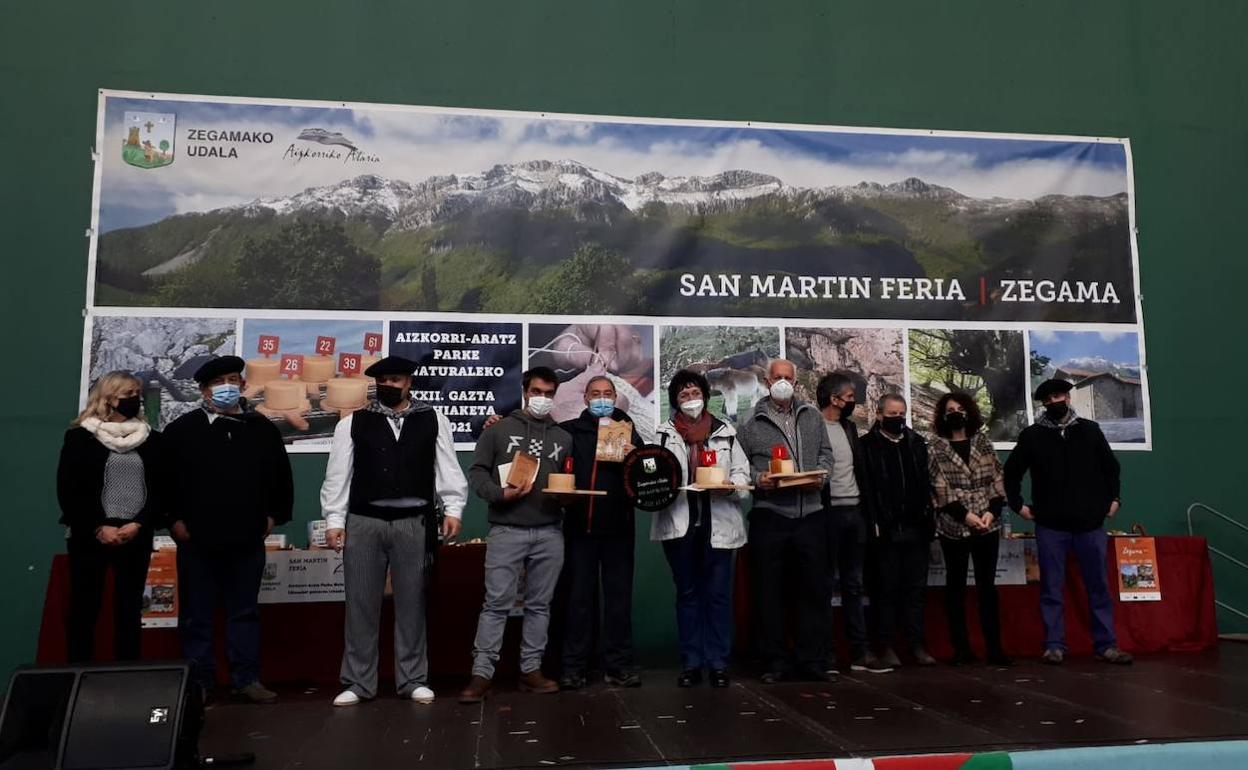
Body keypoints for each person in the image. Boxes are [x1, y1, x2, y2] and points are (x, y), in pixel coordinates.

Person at [320, 356, 468, 707]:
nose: (388, 385)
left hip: (414, 523)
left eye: (395, 380)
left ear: (408, 383)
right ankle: (358, 682)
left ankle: (413, 679)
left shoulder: (433, 419)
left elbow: (447, 467)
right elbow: (338, 476)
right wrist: (334, 521)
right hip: (364, 522)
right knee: (360, 604)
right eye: (383, 380)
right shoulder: (352, 423)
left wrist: (454, 508)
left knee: (413, 603)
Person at [164, 355, 293, 703]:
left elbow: (281, 478)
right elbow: (163, 481)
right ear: (204, 390)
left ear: (243, 385)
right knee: (196, 615)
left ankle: (246, 678)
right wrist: (173, 520)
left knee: (244, 612)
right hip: (197, 539)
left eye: (233, 380)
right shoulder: (181, 431)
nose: (227, 387)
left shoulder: (262, 429)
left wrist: (273, 516)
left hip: (246, 538)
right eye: (218, 382)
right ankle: (199, 682)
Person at [460, 367, 572, 703]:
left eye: (549, 394)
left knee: (540, 605)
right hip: (506, 529)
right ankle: (482, 674)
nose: (542, 399)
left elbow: (568, 479)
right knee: (496, 604)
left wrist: (566, 497)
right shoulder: (498, 430)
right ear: (525, 392)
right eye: (536, 392)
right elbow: (477, 472)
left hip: (550, 531)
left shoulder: (563, 438)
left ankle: (530, 670)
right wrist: (499, 494)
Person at [1004, 379, 1132, 666]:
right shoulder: (1032, 436)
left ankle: (1106, 645)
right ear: (1043, 404)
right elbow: (1011, 473)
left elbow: (1111, 468)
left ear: (1068, 397)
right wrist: (1018, 505)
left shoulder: (1090, 430)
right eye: (1048, 399)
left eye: (1058, 396)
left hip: (1090, 525)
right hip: (1050, 526)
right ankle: (1053, 645)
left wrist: (1115, 498)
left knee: (1098, 587)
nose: (1054, 402)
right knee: (1051, 588)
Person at [57, 371, 165, 663]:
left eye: (137, 395)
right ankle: (78, 672)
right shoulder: (81, 437)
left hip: (135, 533)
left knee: (129, 609)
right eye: (128, 395)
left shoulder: (151, 439)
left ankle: (126, 672)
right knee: (84, 608)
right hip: (90, 535)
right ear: (108, 399)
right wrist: (97, 527)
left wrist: (139, 523)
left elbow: (161, 489)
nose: (135, 400)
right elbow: (69, 490)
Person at [651, 369, 749, 688]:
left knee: (717, 596)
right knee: (688, 594)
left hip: (718, 523)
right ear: (675, 401)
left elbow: (742, 474)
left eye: (695, 393)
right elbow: (651, 474)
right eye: (683, 395)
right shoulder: (662, 435)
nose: (690, 399)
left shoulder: (726, 432)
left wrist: (730, 486)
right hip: (680, 525)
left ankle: (718, 663)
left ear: (705, 396)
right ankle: (691, 663)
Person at [739, 359, 834, 683]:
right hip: (771, 516)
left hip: (812, 515)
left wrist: (822, 475)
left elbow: (826, 454)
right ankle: (775, 661)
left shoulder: (812, 415)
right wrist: (759, 479)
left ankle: (812, 661)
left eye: (787, 378)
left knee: (814, 591)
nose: (782, 382)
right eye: (777, 377)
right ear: (767, 382)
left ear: (795, 382)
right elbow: (741, 465)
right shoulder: (750, 420)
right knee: (769, 592)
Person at [556, 375, 644, 689]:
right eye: (596, 394)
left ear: (615, 397)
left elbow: (647, 477)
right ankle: (574, 667)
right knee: (578, 601)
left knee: (619, 601)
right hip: (580, 529)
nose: (602, 398)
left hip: (619, 531)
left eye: (607, 393)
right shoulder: (569, 431)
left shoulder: (629, 429)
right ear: (585, 398)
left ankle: (619, 666)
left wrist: (636, 457)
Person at [927, 392, 1011, 666]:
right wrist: (966, 516)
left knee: (988, 588)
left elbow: (997, 479)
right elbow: (938, 488)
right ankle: (961, 650)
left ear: (969, 412)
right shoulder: (935, 448)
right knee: (956, 588)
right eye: (950, 409)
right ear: (943, 415)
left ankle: (995, 649)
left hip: (987, 524)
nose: (956, 413)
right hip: (954, 526)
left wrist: (991, 512)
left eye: (960, 408)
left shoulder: (984, 443)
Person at [859, 394, 936, 669]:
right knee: (885, 590)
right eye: (892, 414)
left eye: (901, 413)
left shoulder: (916, 443)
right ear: (879, 415)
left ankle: (916, 644)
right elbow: (866, 488)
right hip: (885, 531)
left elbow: (926, 483)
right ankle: (886, 645)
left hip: (917, 528)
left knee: (915, 591)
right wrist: (874, 522)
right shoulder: (866, 446)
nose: (898, 418)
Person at [815, 373, 885, 673]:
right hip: (826, 514)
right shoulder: (813, 427)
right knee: (824, 585)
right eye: (849, 397)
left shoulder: (850, 427)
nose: (853, 402)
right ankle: (826, 655)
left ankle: (860, 653)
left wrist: (870, 515)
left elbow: (860, 471)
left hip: (855, 513)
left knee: (854, 585)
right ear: (834, 399)